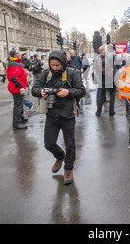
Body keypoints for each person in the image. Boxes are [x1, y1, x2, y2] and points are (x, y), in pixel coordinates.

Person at [31, 50, 86, 185]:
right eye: (52, 65)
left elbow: (82, 91)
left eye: (57, 65)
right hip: (51, 115)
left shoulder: (72, 73)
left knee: (70, 145)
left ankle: (68, 169)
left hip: (68, 115)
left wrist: (68, 92)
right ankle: (60, 156)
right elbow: (34, 89)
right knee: (48, 144)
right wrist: (42, 91)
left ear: (63, 63)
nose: (55, 68)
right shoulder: (45, 73)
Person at [94, 45, 120, 116]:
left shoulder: (96, 58)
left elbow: (95, 70)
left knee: (101, 95)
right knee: (112, 95)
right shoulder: (111, 56)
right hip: (111, 79)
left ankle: (98, 112)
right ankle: (111, 112)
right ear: (105, 50)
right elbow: (119, 62)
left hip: (102, 79)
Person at [6, 50, 28, 130]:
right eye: (19, 53)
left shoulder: (14, 63)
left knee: (20, 103)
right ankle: (16, 123)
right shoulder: (14, 64)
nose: (20, 54)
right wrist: (20, 87)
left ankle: (21, 117)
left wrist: (25, 73)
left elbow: (17, 74)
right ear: (16, 55)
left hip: (17, 87)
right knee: (18, 105)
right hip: (17, 88)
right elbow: (14, 77)